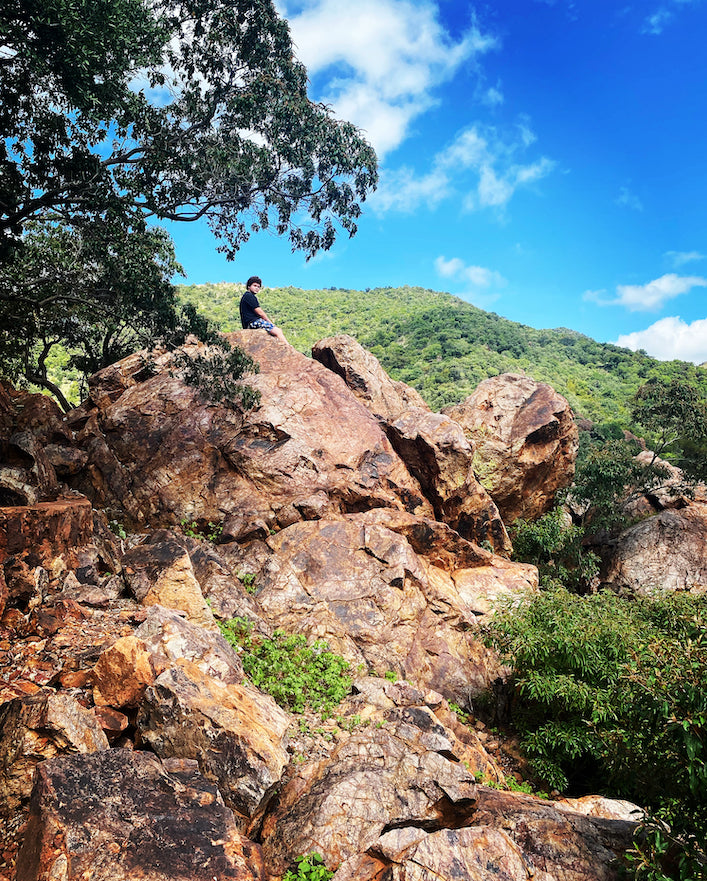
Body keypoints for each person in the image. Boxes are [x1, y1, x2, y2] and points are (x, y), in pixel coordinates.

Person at [239, 276, 289, 344]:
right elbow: (260, 313)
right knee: (278, 331)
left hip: (249, 324)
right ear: (249, 286)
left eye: (258, 287)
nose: (257, 288)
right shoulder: (249, 296)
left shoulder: (246, 296)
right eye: (255, 286)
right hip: (253, 322)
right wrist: (271, 323)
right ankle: (288, 347)